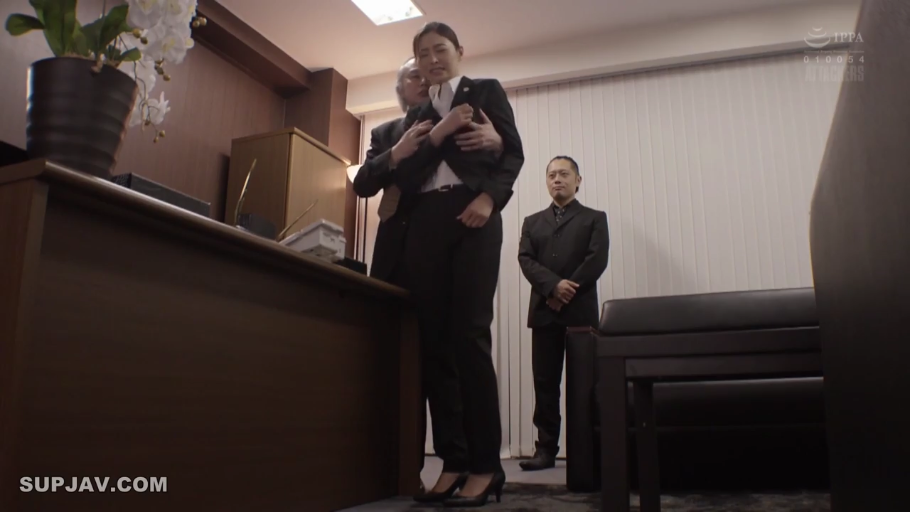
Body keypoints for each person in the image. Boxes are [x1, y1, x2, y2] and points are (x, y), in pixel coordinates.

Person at [351, 57, 505, 494]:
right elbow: (362, 183)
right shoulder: (385, 133)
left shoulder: (458, 118)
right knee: (406, 364)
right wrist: (395, 154)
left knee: (451, 354)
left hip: (447, 246)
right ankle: (407, 470)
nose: (423, 79)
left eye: (426, 72)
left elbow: (490, 165)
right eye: (412, 75)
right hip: (397, 257)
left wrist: (496, 142)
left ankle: (462, 460)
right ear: (400, 89)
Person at [390, 22, 524, 508]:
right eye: (422, 54)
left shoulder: (485, 91)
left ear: (459, 52)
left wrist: (489, 198)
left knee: (469, 337)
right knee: (434, 346)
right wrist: (438, 134)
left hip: (474, 214)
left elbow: (514, 153)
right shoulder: (418, 113)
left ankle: (486, 466)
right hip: (426, 223)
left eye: (440, 49)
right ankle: (453, 461)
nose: (432, 60)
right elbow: (406, 175)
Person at [517, 156, 609, 471]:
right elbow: (526, 259)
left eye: (564, 174)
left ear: (577, 181)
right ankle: (545, 450)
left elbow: (596, 260)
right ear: (547, 181)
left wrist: (566, 293)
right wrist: (553, 288)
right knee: (545, 384)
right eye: (552, 175)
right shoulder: (532, 222)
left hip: (580, 315)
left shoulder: (595, 219)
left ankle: (586, 449)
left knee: (584, 385)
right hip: (544, 313)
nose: (557, 179)